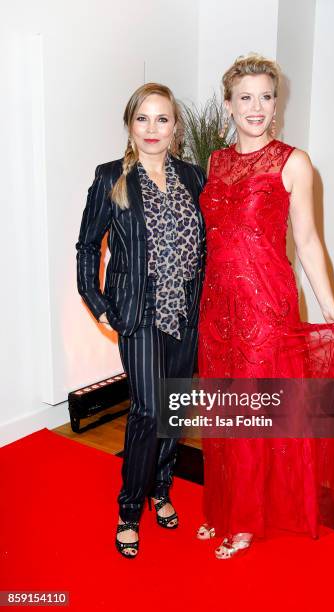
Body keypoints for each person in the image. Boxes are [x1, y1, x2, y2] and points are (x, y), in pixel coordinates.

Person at [197, 54, 334, 559]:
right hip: (216, 307)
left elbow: (308, 242)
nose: (257, 107)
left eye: (267, 96)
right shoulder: (215, 162)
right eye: (246, 97)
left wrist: (331, 307)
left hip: (266, 307)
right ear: (229, 104)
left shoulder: (294, 162)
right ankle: (225, 506)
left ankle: (243, 522)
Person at [76, 83, 206, 558]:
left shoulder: (194, 177)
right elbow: (89, 244)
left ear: (176, 127)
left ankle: (164, 489)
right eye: (143, 119)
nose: (153, 129)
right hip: (139, 311)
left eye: (162, 119)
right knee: (149, 410)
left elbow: (207, 247)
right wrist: (96, 299)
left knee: (174, 410)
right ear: (130, 126)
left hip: (187, 313)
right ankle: (130, 508)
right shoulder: (111, 176)